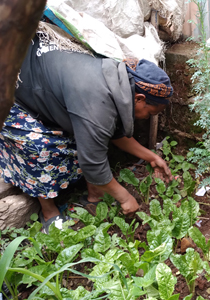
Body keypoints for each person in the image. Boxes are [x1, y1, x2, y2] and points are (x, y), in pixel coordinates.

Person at [0, 32, 173, 233]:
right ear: (140, 99)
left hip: (38, 83)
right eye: (150, 113)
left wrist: (151, 157)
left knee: (88, 139)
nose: (147, 118)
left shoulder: (116, 80)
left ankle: (94, 194)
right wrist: (125, 198)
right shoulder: (96, 100)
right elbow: (92, 162)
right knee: (41, 146)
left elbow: (113, 133)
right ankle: (48, 211)